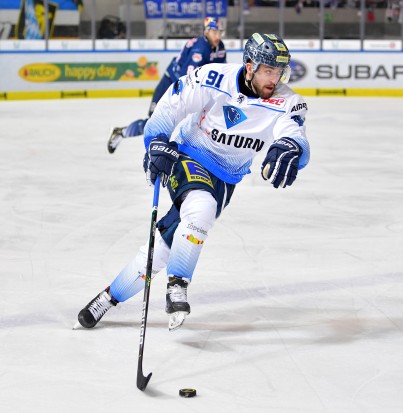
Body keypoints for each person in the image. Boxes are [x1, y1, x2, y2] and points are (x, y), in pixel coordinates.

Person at [77, 32, 310, 331]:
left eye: (279, 71)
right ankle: (178, 284)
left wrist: (293, 147)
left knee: (160, 249)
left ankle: (108, 298)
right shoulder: (213, 77)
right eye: (268, 70)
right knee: (200, 207)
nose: (274, 78)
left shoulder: (288, 101)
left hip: (227, 179)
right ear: (250, 66)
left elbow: (297, 137)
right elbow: (172, 105)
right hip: (188, 155)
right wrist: (156, 141)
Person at [106, 16, 227, 154]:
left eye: (219, 32)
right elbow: (188, 78)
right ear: (206, 32)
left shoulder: (220, 47)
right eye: (214, 32)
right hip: (170, 85)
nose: (217, 36)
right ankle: (122, 132)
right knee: (152, 122)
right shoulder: (200, 49)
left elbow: (220, 72)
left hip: (184, 87)